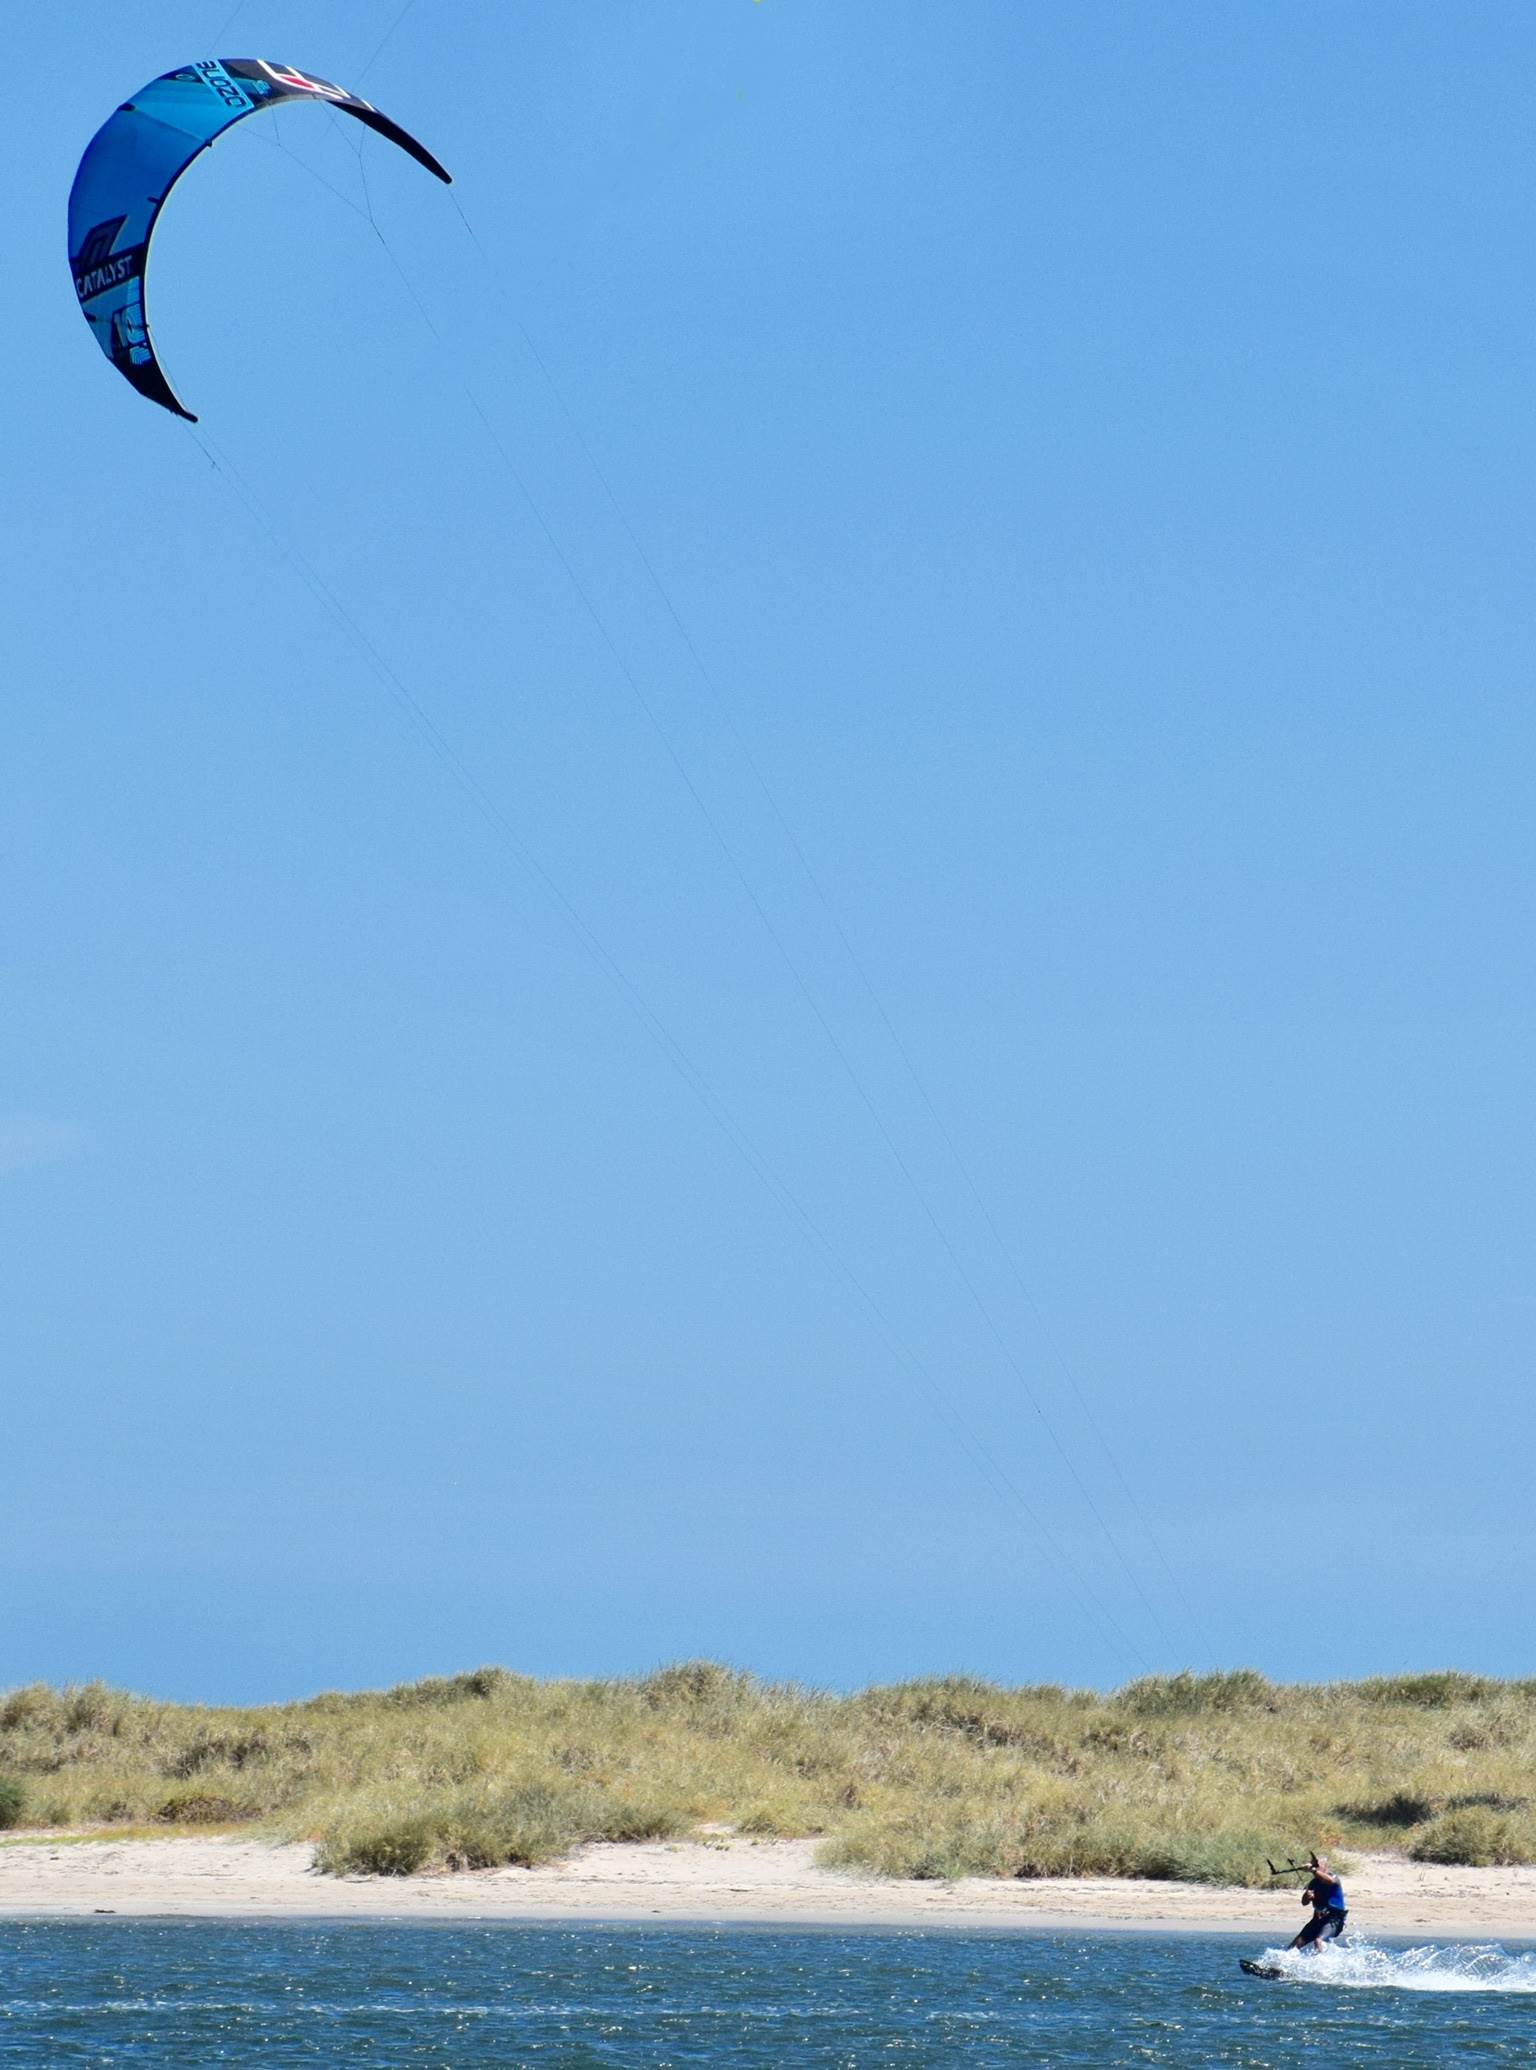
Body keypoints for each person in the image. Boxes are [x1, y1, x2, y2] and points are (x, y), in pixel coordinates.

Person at [1290, 1857, 1347, 1951]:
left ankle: (1321, 1963)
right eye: (1313, 1866)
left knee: (1318, 1940)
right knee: (1293, 1947)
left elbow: (1329, 1881)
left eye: (1317, 1866)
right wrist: (1307, 1896)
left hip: (1334, 1920)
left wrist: (1312, 1869)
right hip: (1317, 1920)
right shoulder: (1313, 1883)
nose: (1315, 1868)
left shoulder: (1333, 1877)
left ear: (1325, 1867)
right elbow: (1304, 1903)